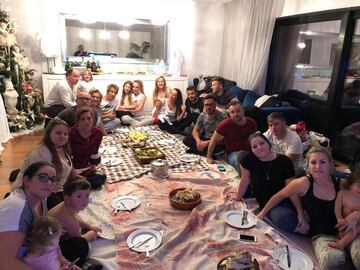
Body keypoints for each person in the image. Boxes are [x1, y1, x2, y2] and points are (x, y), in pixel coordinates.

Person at [257, 146, 360, 269]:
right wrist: (261, 215)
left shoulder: (340, 183)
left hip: (349, 229)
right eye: (313, 162)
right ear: (307, 165)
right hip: (322, 235)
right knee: (332, 261)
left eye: (322, 162)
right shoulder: (302, 183)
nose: (318, 166)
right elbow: (279, 196)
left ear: (330, 164)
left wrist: (357, 214)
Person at [233, 132, 304, 233]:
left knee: (300, 215)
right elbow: (245, 180)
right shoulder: (248, 160)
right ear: (251, 150)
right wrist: (238, 197)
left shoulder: (284, 161)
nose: (259, 148)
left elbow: (291, 189)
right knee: (282, 219)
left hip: (284, 197)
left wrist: (300, 211)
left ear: (268, 143)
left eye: (262, 143)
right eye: (255, 146)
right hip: (266, 202)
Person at [0, 161, 57, 269]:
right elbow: (5, 264)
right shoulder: (17, 208)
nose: (49, 183)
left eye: (53, 180)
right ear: (26, 180)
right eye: (43, 177)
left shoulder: (41, 200)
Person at [12, 119, 78, 209]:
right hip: (38, 192)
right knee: (66, 212)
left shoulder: (63, 148)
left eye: (65, 134)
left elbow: (67, 168)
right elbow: (38, 183)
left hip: (56, 189)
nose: (62, 136)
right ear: (49, 134)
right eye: (58, 133)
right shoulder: (42, 153)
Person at [48, 178, 100, 267]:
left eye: (87, 196)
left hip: (50, 241)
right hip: (51, 253)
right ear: (67, 199)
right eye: (79, 196)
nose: (84, 200)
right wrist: (92, 234)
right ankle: (79, 266)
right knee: (82, 245)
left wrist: (89, 226)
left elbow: (76, 217)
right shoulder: (70, 220)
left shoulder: (65, 206)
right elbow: (79, 239)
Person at [206, 100, 257, 173]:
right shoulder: (225, 124)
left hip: (250, 151)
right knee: (240, 160)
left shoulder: (251, 123)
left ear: (243, 111)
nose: (236, 114)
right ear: (229, 113)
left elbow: (255, 139)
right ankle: (246, 181)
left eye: (238, 111)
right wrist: (209, 157)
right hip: (233, 154)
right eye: (232, 112)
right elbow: (213, 140)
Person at [328, 171, 360, 250]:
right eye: (359, 186)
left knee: (353, 230)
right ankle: (345, 243)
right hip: (344, 220)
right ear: (350, 184)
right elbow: (337, 207)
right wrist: (339, 218)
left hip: (357, 224)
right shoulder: (342, 194)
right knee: (341, 229)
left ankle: (341, 244)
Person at [69, 107, 103, 177]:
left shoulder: (98, 133)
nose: (86, 121)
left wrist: (93, 170)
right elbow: (66, 156)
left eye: (88, 118)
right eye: (82, 119)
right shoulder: (70, 133)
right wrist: (74, 173)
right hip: (73, 168)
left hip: (88, 166)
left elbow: (95, 152)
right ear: (78, 121)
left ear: (92, 119)